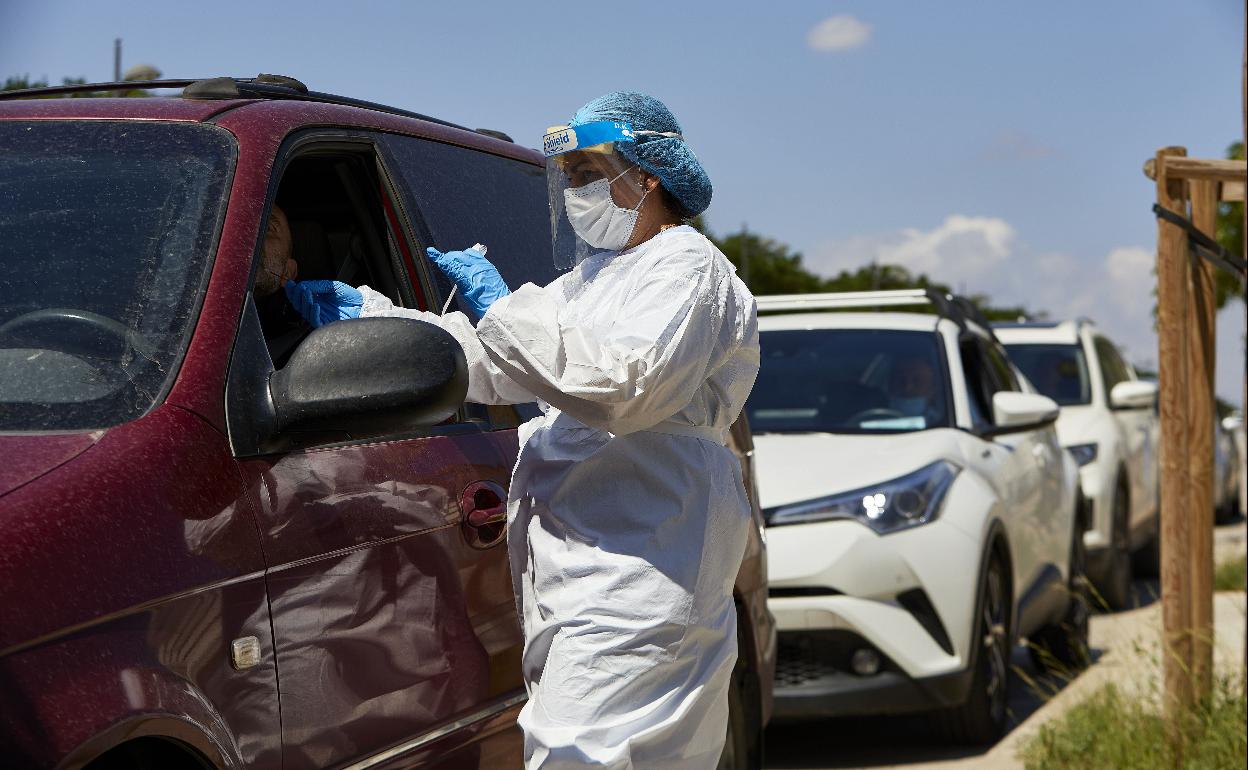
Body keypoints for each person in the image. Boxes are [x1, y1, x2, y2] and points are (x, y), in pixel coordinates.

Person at [286, 91, 759, 769]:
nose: (573, 191)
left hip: (643, 559)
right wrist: (375, 319)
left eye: (588, 174)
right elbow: (498, 365)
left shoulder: (687, 268)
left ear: (647, 175)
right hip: (597, 562)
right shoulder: (595, 279)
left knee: (580, 756)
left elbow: (622, 388)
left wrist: (501, 304)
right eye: (566, 177)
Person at [887, 354, 945, 427]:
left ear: (933, 389)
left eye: (917, 381)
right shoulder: (871, 421)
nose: (907, 388)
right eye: (901, 380)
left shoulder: (942, 426)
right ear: (890, 385)